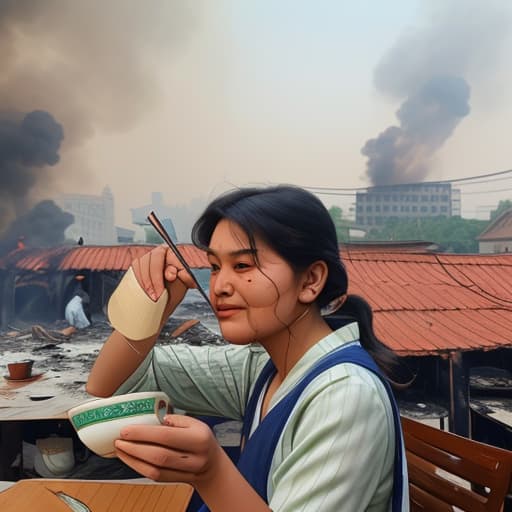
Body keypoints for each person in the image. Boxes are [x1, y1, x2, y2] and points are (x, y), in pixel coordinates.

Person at [86, 185, 409, 512]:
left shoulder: (345, 397)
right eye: (214, 267)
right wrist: (156, 307)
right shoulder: (263, 368)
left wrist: (211, 473)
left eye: (242, 266)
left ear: (311, 280)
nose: (220, 287)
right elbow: (108, 385)